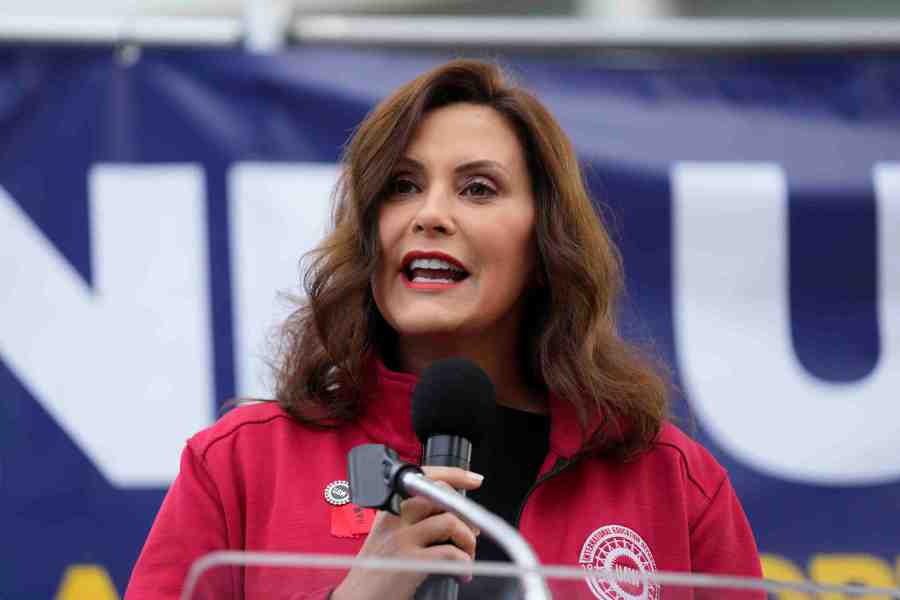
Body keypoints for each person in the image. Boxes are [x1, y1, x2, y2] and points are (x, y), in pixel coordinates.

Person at [125, 59, 762, 600]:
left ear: (544, 248)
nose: (430, 215)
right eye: (402, 186)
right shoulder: (238, 466)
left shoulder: (672, 484)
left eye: (478, 189)